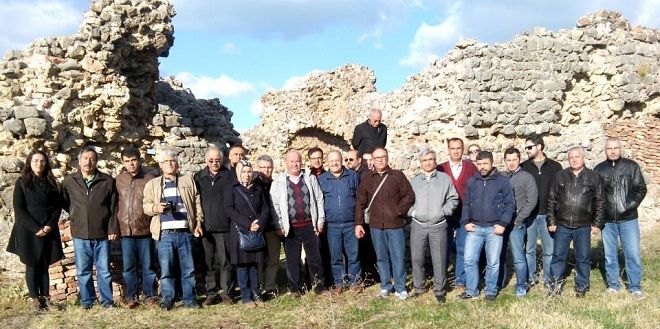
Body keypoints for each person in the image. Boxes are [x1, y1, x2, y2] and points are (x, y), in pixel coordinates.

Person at [143, 150, 204, 310]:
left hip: (185, 232)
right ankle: (168, 299)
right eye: (166, 162)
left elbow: (197, 202)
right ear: (160, 165)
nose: (169, 164)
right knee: (166, 269)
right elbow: (145, 206)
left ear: (177, 164)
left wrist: (199, 222)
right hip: (164, 234)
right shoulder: (153, 184)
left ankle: (190, 299)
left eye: (172, 161)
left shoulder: (187, 180)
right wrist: (156, 207)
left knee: (189, 269)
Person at [61, 146, 119, 309]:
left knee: (104, 271)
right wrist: (76, 214)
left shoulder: (107, 180)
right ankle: (87, 301)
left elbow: (113, 207)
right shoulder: (69, 181)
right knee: (83, 271)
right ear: (79, 161)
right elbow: (65, 202)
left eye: (92, 158)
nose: (88, 161)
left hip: (101, 234)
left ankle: (107, 301)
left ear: (97, 161)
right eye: (85, 158)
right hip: (80, 233)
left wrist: (113, 229)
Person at [355, 147, 415, 300]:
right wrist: (359, 223)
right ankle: (386, 285)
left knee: (398, 256)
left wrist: (398, 211)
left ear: (387, 158)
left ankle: (400, 287)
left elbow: (409, 196)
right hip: (376, 225)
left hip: (395, 224)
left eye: (383, 157)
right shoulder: (367, 178)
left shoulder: (397, 176)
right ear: (372, 161)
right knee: (381, 257)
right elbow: (360, 202)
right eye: (377, 158)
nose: (380, 160)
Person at [7, 150, 64, 310]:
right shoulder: (22, 182)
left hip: (48, 228)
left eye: (42, 161)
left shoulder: (51, 183)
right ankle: (34, 299)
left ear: (46, 164)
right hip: (28, 230)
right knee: (32, 264)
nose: (39, 164)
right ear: (29, 163)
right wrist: (36, 228)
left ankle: (46, 298)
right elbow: (19, 209)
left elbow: (57, 208)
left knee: (44, 265)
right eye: (36, 161)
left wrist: (48, 226)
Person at [594, 137, 647, 298]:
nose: (613, 151)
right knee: (610, 255)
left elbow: (641, 189)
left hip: (629, 219)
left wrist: (628, 206)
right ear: (605, 150)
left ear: (620, 148)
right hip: (608, 221)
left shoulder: (632, 166)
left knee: (632, 253)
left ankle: (635, 286)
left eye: (616, 148)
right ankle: (613, 285)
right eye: (609, 148)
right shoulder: (599, 169)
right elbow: (595, 195)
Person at [547, 146, 604, 297]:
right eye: (571, 157)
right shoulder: (560, 176)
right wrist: (552, 221)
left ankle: (581, 286)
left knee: (583, 257)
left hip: (583, 225)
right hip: (562, 224)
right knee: (558, 256)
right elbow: (552, 199)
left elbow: (599, 202)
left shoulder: (593, 177)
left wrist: (597, 223)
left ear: (583, 158)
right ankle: (554, 286)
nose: (574, 159)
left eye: (577, 157)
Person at [270, 150, 328, 296]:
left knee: (315, 258)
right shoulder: (279, 182)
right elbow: (274, 205)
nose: (295, 164)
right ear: (286, 163)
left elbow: (319, 199)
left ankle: (319, 286)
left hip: (310, 225)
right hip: (291, 228)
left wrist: (320, 220)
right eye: (291, 161)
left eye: (297, 161)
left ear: (301, 162)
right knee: (292, 260)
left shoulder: (310, 178)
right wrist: (279, 225)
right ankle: (295, 288)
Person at [458, 151, 515, 301]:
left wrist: (503, 223)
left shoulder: (502, 181)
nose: (482, 167)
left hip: (494, 229)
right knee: (469, 260)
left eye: (485, 164)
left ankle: (490, 290)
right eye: (479, 164)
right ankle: (472, 290)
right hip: (475, 228)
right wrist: (466, 222)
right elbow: (466, 204)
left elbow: (510, 204)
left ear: (491, 163)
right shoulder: (472, 181)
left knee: (493, 262)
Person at [408, 149, 458, 304]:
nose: (428, 162)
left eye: (430, 159)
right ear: (420, 163)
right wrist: (413, 212)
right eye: (424, 160)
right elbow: (406, 201)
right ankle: (418, 287)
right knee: (417, 258)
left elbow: (453, 198)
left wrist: (443, 211)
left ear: (435, 161)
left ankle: (440, 289)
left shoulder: (444, 179)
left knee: (440, 259)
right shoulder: (415, 181)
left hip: (439, 225)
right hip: (418, 225)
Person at [115, 147, 157, 308]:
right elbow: (114, 205)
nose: (131, 164)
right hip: (126, 232)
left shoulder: (149, 178)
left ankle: (150, 296)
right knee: (128, 268)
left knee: (148, 266)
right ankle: (131, 297)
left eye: (133, 160)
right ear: (123, 162)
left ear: (139, 160)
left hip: (145, 230)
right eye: (127, 161)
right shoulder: (119, 180)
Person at [225, 160, 269, 307]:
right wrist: (248, 224)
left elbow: (265, 208)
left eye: (249, 171)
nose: (247, 174)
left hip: (256, 231)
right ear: (238, 173)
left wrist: (259, 223)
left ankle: (256, 294)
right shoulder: (231, 188)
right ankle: (246, 296)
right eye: (244, 171)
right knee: (243, 265)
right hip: (240, 232)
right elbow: (230, 209)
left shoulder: (258, 188)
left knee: (255, 265)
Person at [194, 146, 235, 305]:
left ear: (222, 160)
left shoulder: (230, 176)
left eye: (217, 160)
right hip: (205, 227)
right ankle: (211, 293)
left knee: (226, 262)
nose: (214, 163)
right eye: (211, 160)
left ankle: (227, 293)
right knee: (208, 262)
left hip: (225, 226)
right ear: (206, 161)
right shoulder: (199, 177)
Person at [521, 133, 562, 288]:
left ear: (539, 146)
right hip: (530, 216)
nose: (527, 150)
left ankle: (548, 279)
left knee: (549, 250)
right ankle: (531, 278)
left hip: (548, 216)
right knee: (529, 249)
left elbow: (560, 192)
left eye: (529, 147)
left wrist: (556, 216)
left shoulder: (555, 167)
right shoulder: (524, 166)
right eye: (525, 148)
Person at [436, 137, 478, 290]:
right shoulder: (440, 168)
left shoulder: (471, 167)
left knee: (462, 247)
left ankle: (461, 280)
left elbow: (476, 190)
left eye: (458, 148)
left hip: (464, 214)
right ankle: (442, 280)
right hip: (445, 215)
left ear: (462, 149)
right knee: (443, 248)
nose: (455, 151)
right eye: (453, 148)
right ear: (448, 150)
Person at [318, 150, 362, 294]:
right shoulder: (322, 179)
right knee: (335, 256)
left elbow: (359, 200)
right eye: (331, 161)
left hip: (350, 224)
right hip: (332, 226)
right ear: (327, 163)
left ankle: (355, 282)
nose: (335, 163)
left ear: (341, 160)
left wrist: (358, 222)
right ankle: (339, 283)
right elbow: (319, 201)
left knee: (353, 255)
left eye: (337, 160)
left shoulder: (353, 176)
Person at [501, 147, 538, 297]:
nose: (511, 163)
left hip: (516, 223)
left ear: (519, 159)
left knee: (518, 255)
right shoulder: (500, 176)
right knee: (498, 254)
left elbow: (532, 200)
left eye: (514, 160)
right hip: (501, 223)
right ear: (504, 161)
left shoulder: (526, 177)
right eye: (508, 160)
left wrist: (519, 218)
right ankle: (500, 281)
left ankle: (521, 285)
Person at [254, 155, 282, 298]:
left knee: (273, 258)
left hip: (272, 227)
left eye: (269, 167)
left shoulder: (276, 184)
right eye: (263, 167)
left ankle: (270, 287)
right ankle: (258, 286)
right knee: (259, 259)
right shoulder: (253, 184)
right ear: (258, 168)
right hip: (257, 228)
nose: (266, 170)